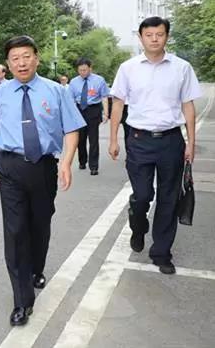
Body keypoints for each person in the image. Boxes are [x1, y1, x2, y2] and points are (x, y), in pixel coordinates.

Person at [0, 36, 85, 326]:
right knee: (15, 231)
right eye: (15, 58)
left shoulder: (56, 91)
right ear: (8, 64)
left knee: (40, 224)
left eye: (26, 56)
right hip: (10, 167)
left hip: (43, 166)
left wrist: (66, 162)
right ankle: (22, 300)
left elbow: (72, 129)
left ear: (37, 58)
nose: (21, 63)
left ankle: (36, 267)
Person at [109, 16, 201, 275]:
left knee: (168, 198)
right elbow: (118, 103)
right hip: (139, 140)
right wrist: (114, 139)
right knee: (142, 196)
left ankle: (161, 252)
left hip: (171, 140)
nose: (154, 39)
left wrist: (191, 143)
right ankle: (138, 226)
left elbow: (188, 106)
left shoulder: (182, 68)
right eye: (148, 35)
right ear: (140, 38)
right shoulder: (128, 68)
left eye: (159, 34)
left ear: (167, 36)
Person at [68, 58, 110, 175]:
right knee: (80, 139)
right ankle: (82, 161)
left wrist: (106, 113)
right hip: (79, 110)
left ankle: (94, 166)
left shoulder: (99, 80)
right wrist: (71, 115)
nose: (83, 72)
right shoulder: (74, 82)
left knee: (93, 139)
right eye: (80, 70)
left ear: (90, 68)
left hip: (93, 110)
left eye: (85, 70)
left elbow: (104, 97)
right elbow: (70, 99)